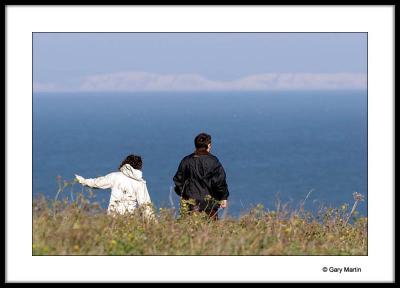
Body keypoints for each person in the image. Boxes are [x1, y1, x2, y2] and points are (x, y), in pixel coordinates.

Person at [75, 154, 155, 220]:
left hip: (113, 217)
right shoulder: (140, 183)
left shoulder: (115, 176)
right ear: (139, 167)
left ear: (125, 163)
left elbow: (98, 183)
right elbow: (146, 205)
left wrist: (84, 181)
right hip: (129, 219)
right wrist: (153, 224)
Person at [173, 132, 229, 220]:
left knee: (191, 231)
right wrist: (223, 197)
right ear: (209, 145)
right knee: (210, 231)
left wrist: (184, 195)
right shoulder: (213, 161)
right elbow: (220, 182)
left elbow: (178, 180)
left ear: (196, 145)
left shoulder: (186, 161)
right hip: (210, 205)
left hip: (191, 204)